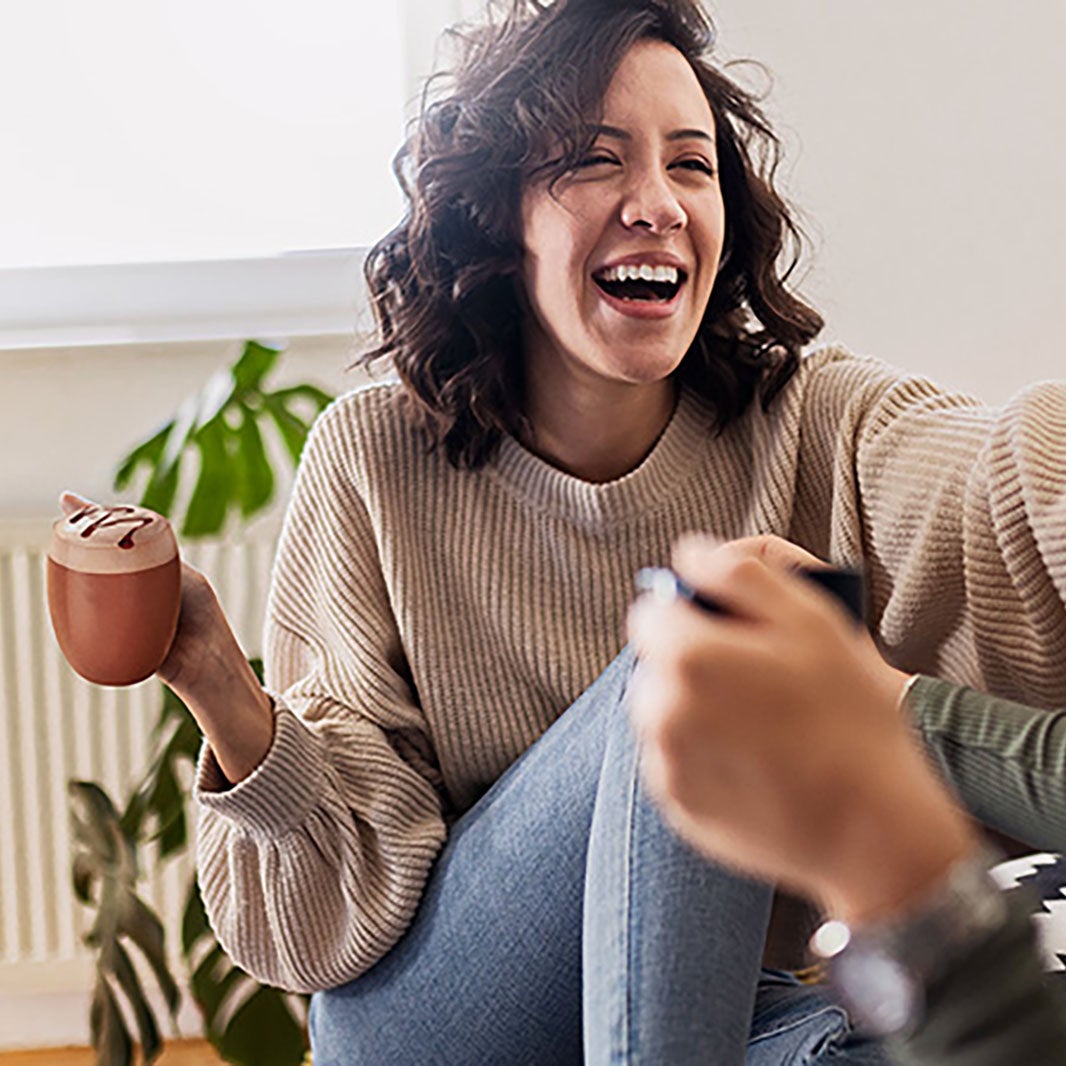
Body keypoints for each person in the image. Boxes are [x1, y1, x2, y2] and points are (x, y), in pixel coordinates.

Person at [83, 0, 1066, 1062]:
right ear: (500, 212)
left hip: (721, 1005)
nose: (656, 202)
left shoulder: (815, 419)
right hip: (442, 1016)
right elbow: (331, 918)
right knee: (699, 640)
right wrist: (218, 681)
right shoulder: (374, 457)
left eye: (691, 166)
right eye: (598, 161)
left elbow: (995, 480)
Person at [627, 533, 1066, 1065]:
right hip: (865, 995)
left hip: (889, 1008)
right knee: (691, 667)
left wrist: (897, 880)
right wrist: (880, 695)